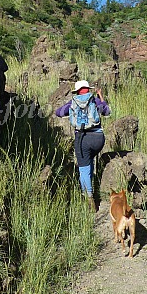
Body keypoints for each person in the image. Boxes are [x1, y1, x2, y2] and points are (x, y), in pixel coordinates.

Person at [55, 80, 110, 211]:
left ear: (77, 91)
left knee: (84, 168)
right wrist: (100, 96)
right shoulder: (94, 101)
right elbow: (107, 111)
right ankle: (93, 187)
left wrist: (71, 106)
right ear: (88, 89)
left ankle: (89, 198)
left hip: (82, 139)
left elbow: (59, 112)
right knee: (90, 160)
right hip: (98, 139)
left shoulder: (73, 102)